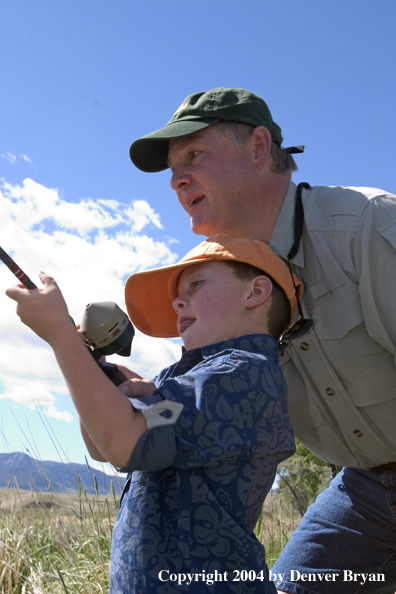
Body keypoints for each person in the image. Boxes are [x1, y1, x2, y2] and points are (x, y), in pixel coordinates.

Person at [129, 87, 396, 594]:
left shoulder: (369, 225)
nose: (176, 179)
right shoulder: (222, 289)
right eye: (171, 168)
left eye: (193, 155)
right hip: (364, 485)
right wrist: (133, 396)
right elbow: (199, 407)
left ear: (257, 148)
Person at [6, 233, 302, 593]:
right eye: (179, 294)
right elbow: (103, 444)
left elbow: (123, 442)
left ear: (255, 293)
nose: (178, 301)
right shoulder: (185, 378)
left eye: (196, 284)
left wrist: (62, 337)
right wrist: (98, 373)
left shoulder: (244, 374)